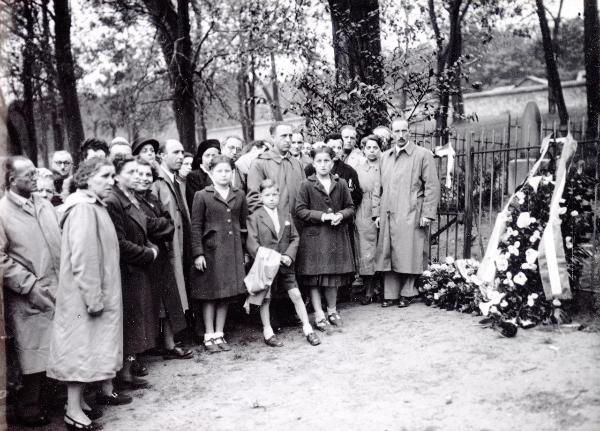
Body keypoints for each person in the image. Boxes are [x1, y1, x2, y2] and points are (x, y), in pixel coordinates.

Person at [47, 158, 130, 431]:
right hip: (84, 297)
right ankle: (72, 411)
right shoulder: (83, 209)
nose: (111, 181)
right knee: (79, 352)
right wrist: (93, 298)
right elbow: (84, 258)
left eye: (111, 176)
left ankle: (78, 403)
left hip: (91, 294)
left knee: (87, 349)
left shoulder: (93, 206)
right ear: (86, 178)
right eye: (105, 176)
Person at [0, 156, 61, 427]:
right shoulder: (2, 212)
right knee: (32, 353)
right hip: (28, 293)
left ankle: (54, 401)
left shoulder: (44, 204)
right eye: (29, 174)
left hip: (57, 286)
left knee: (55, 347)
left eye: (36, 171)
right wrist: (28, 284)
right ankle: (28, 407)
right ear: (11, 180)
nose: (36, 177)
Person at [104, 156, 165, 390]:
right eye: (130, 172)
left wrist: (149, 246)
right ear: (117, 176)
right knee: (130, 325)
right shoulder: (114, 201)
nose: (137, 177)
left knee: (137, 323)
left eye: (138, 172)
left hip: (138, 268)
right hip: (127, 270)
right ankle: (122, 375)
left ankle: (128, 372)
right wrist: (147, 253)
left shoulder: (131, 198)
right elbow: (118, 242)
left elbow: (144, 227)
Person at [374, 118, 440, 308]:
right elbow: (378, 187)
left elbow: (432, 186)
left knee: (410, 252)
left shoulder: (422, 155)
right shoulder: (384, 157)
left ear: (409, 132)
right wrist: (376, 213)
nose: (401, 136)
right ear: (392, 134)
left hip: (411, 211)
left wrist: (427, 213)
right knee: (388, 252)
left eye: (404, 131)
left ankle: (408, 292)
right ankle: (391, 294)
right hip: (388, 212)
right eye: (397, 132)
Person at [246, 179, 320, 347]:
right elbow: (253, 245)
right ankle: (268, 331)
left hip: (286, 264)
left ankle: (308, 328)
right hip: (266, 265)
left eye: (274, 194)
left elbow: (295, 237)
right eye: (267, 195)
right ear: (261, 197)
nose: (271, 198)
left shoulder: (285, 215)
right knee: (265, 297)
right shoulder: (254, 217)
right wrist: (276, 257)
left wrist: (288, 255)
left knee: (296, 294)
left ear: (279, 196)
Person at [190, 155, 248, 353]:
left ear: (232, 173)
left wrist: (244, 251)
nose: (224, 175)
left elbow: (243, 224)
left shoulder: (239, 194)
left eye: (227, 171)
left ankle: (219, 333)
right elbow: (196, 226)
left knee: (226, 294)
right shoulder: (202, 195)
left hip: (232, 251)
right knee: (210, 295)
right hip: (210, 252)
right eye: (219, 171)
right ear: (211, 173)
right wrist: (198, 253)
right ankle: (208, 334)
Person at [295, 146, 355, 331]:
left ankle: (332, 310)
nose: (323, 164)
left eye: (326, 161)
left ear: (332, 162)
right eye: (319, 161)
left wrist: (341, 215)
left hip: (334, 237)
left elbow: (350, 207)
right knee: (314, 278)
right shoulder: (306, 184)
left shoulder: (341, 183)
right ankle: (319, 313)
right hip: (314, 239)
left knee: (332, 277)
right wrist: (322, 216)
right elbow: (300, 210)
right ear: (313, 163)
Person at [135, 159, 190, 360]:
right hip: (144, 256)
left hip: (161, 254)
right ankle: (142, 354)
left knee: (168, 301)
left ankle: (169, 343)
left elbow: (169, 224)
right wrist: (157, 225)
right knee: (147, 305)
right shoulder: (131, 201)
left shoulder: (152, 197)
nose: (143, 178)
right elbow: (144, 225)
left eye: (148, 175)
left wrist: (156, 225)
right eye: (138, 174)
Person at [152, 139, 192, 322]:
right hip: (169, 244)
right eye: (176, 152)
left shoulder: (176, 179)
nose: (181, 157)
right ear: (161, 155)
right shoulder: (157, 180)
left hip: (183, 241)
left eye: (182, 152)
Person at [246, 122, 306, 219]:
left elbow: (305, 194)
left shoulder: (297, 163)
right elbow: (254, 199)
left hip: (299, 224)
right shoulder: (259, 163)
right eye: (283, 136)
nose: (288, 140)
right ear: (273, 138)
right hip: (274, 226)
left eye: (290, 136)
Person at [354, 135, 383, 305]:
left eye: (375, 148)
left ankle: (382, 288)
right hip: (363, 209)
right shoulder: (358, 169)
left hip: (382, 205)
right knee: (366, 248)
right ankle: (368, 289)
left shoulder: (385, 165)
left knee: (382, 247)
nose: (372, 151)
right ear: (363, 149)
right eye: (368, 148)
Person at [186, 139, 220, 211]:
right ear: (201, 157)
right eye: (207, 155)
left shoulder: (221, 173)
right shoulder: (194, 176)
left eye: (214, 155)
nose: (211, 158)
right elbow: (194, 204)